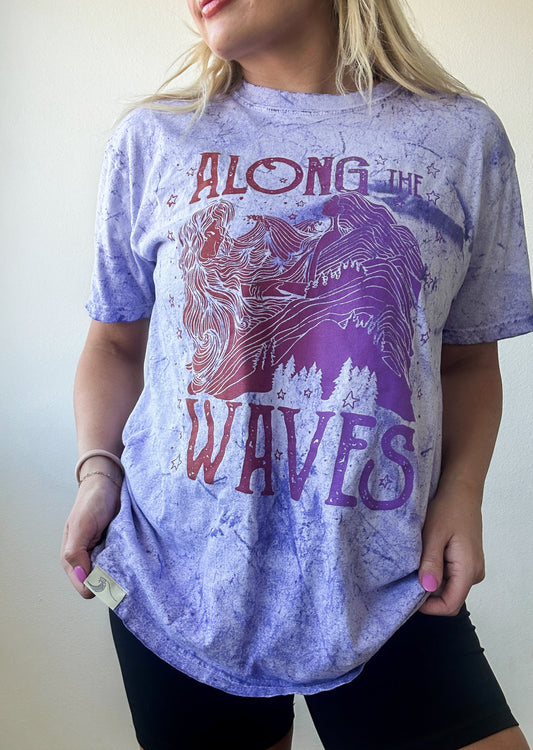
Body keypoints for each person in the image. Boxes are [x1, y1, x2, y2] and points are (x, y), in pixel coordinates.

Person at [61, 1, 533, 748]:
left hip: (388, 575)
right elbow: (114, 344)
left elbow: (469, 356)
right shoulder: (154, 138)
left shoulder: (460, 138)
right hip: (177, 578)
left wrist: (463, 492)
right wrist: (98, 473)